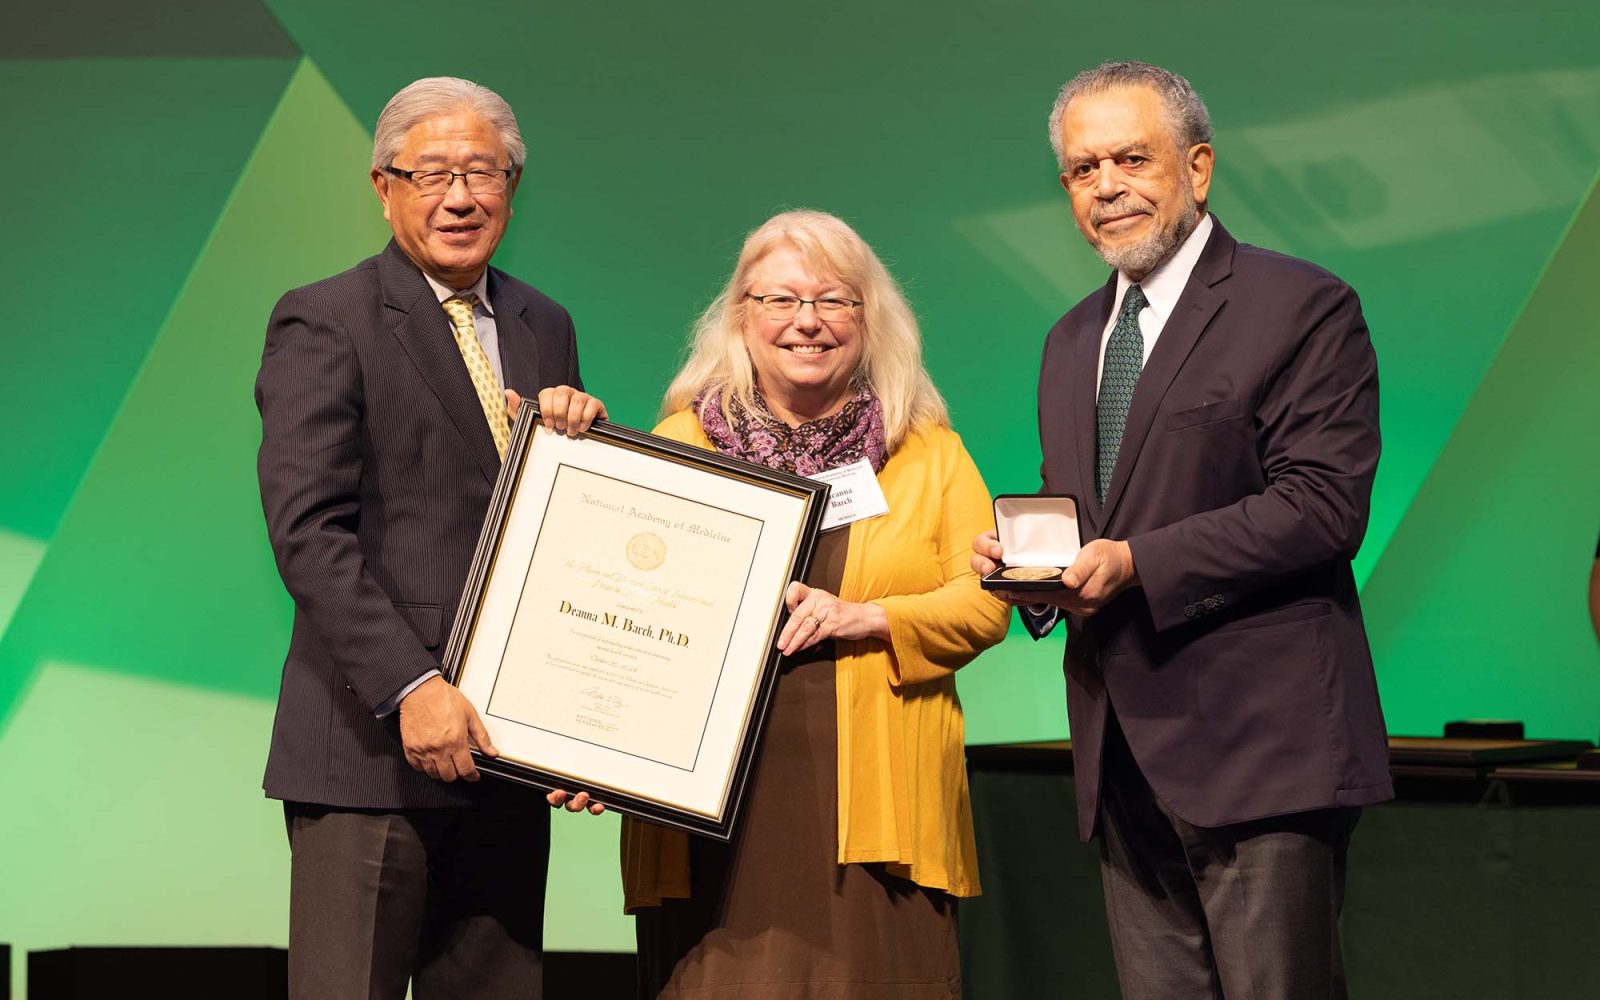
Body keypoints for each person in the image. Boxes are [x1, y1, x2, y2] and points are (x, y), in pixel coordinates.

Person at [972, 61, 1392, 999]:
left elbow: (1324, 504)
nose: (1107, 186)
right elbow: (1089, 506)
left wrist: (1135, 563)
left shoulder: (1299, 304)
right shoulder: (1071, 338)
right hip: (1121, 753)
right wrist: (1029, 569)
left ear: (1197, 169)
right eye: (1083, 169)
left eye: (1132, 158)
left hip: (1261, 750)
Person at [255, 76, 605, 1000]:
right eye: (432, 173)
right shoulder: (325, 317)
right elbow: (307, 532)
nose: (460, 197)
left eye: (481, 173)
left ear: (513, 188)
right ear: (384, 185)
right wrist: (412, 686)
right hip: (367, 752)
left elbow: (546, 535)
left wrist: (584, 446)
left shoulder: (544, 325)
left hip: (506, 751)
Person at [622, 210, 1009, 998]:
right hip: (710, 814)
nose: (807, 322)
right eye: (780, 300)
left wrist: (873, 618)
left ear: (870, 319)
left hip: (877, 815)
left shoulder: (928, 451)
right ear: (741, 317)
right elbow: (627, 615)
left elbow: (985, 602)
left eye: (835, 300)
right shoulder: (680, 443)